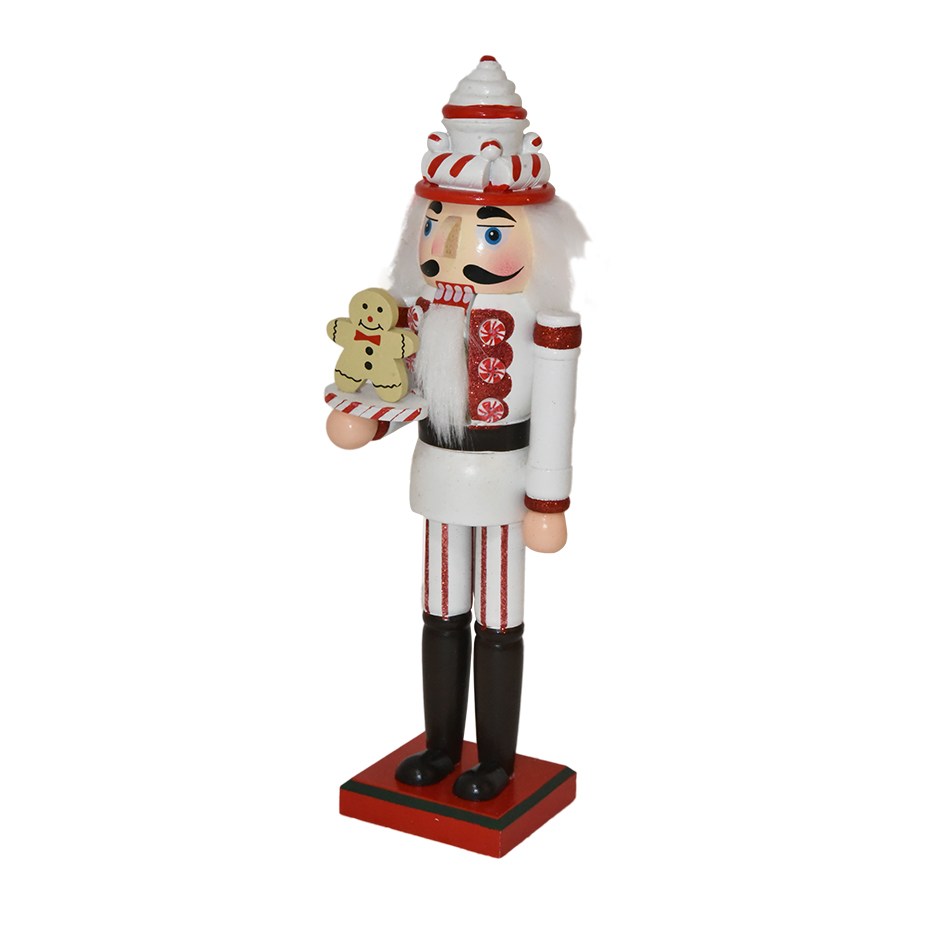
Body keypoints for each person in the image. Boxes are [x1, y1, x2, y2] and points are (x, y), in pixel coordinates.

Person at [326, 56, 586, 801]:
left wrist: (548, 502)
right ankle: (441, 745)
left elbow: (555, 415)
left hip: (509, 482)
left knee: (500, 619)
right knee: (440, 611)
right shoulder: (418, 311)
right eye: (438, 223)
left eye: (485, 229)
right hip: (439, 471)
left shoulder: (545, 323)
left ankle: (495, 759)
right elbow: (401, 381)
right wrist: (364, 419)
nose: (450, 247)